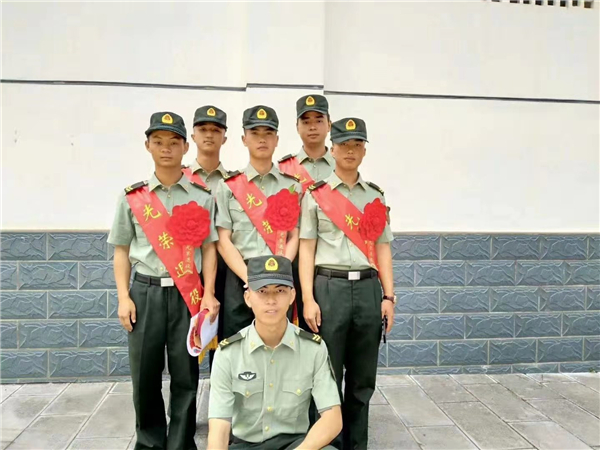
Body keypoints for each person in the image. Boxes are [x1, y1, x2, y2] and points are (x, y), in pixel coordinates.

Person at [108, 111, 218, 450]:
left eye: (173, 142)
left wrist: (209, 294)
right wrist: (123, 297)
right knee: (145, 375)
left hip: (188, 296)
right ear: (148, 146)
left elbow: (209, 250)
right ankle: (149, 442)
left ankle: (181, 442)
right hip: (145, 293)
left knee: (186, 376)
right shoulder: (132, 197)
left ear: (185, 147)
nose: (166, 148)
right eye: (158, 142)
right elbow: (121, 251)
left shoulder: (201, 196)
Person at [299, 117, 395, 449]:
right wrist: (308, 298)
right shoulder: (316, 195)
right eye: (344, 145)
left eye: (357, 145)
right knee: (326, 377)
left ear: (364, 150)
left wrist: (388, 296)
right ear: (333, 148)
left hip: (368, 290)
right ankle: (328, 445)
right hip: (329, 289)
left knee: (362, 379)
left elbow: (383, 248)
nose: (350, 151)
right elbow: (307, 249)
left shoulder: (375, 196)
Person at [207, 255, 342, 450]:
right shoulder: (228, 353)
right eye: (262, 291)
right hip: (246, 446)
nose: (271, 300)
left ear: (292, 296)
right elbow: (219, 427)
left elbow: (332, 418)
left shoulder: (313, 349)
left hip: (295, 445)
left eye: (280, 291)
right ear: (248, 298)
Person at [215, 105, 301, 339]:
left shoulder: (292, 186)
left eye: (268, 133)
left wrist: (281, 270)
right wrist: (249, 277)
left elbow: (294, 235)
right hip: (240, 277)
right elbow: (223, 239)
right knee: (236, 342)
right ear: (244, 139)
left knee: (279, 343)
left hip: (279, 278)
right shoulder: (228, 186)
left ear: (277, 139)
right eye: (255, 133)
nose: (262, 139)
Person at [277, 94, 335, 332]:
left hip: (330, 263)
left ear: (329, 124)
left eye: (318, 120)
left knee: (328, 329)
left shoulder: (342, 167)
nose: (312, 126)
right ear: (297, 126)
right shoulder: (283, 170)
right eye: (306, 121)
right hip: (292, 259)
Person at [184, 105, 232, 357]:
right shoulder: (180, 179)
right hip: (187, 268)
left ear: (225, 137)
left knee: (224, 338)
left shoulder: (234, 182)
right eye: (203, 129)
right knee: (189, 340)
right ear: (193, 136)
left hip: (227, 268)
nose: (209, 135)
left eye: (216, 130)